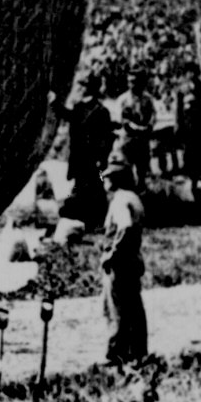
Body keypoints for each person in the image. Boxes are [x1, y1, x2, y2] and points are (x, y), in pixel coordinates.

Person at [99, 160, 148, 365]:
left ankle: (116, 353)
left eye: (108, 178)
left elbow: (125, 226)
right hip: (133, 259)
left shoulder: (119, 200)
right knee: (133, 307)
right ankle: (137, 352)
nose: (104, 181)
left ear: (115, 180)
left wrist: (112, 254)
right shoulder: (134, 198)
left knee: (116, 308)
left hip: (120, 262)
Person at [52, 71, 115, 225]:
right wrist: (54, 103)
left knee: (94, 186)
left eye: (84, 86)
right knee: (83, 186)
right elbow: (68, 116)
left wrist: (102, 158)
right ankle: (86, 216)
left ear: (91, 88)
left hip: (92, 157)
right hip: (80, 156)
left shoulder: (101, 111)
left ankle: (95, 218)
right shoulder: (80, 107)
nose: (81, 89)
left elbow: (106, 137)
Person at [116, 68, 157, 186]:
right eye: (129, 81)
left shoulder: (147, 99)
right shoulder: (123, 99)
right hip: (128, 139)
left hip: (143, 140)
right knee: (127, 169)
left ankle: (141, 187)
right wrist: (137, 128)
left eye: (134, 81)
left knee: (142, 168)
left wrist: (149, 125)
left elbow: (153, 115)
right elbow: (123, 120)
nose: (131, 85)